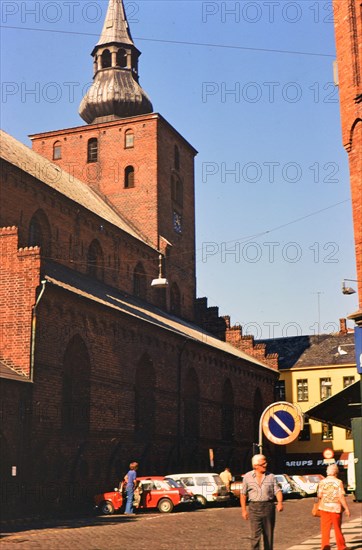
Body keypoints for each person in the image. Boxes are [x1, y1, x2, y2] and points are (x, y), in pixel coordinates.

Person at [240, 454, 283, 550]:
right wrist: (243, 510)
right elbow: (243, 494)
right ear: (255, 465)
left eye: (266, 462)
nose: (266, 465)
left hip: (268, 507)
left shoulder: (271, 476)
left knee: (268, 535)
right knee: (255, 536)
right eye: (263, 463)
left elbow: (277, 491)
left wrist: (280, 502)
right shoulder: (247, 476)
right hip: (254, 507)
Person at [317, 463, 350, 550]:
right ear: (336, 472)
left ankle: (325, 547)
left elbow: (319, 495)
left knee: (325, 529)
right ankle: (341, 546)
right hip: (335, 508)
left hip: (324, 507)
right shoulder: (338, 482)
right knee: (337, 528)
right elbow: (341, 496)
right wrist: (346, 508)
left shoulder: (322, 482)